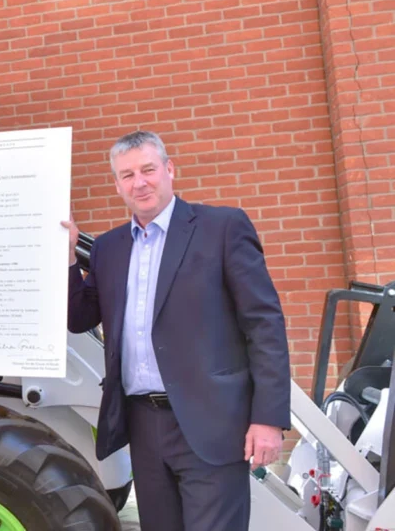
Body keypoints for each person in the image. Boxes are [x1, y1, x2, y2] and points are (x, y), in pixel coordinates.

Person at [61, 130, 290, 531]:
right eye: (128, 175)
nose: (140, 182)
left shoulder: (222, 228)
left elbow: (264, 325)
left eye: (148, 169)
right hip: (143, 425)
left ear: (169, 170)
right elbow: (80, 318)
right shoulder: (109, 248)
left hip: (213, 423)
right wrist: (66, 260)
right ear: (117, 185)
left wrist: (268, 419)